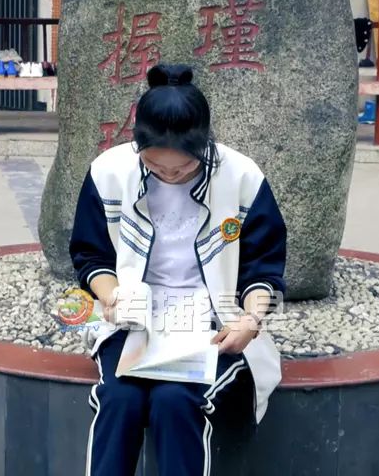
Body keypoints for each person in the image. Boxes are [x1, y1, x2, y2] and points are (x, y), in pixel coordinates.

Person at [70, 63, 287, 476]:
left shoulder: (242, 177)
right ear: (138, 144)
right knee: (120, 399)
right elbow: (90, 255)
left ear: (205, 144)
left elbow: (265, 268)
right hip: (135, 319)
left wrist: (250, 322)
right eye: (156, 167)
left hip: (211, 321)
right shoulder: (109, 172)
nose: (170, 176)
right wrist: (111, 297)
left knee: (175, 401)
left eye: (184, 168)